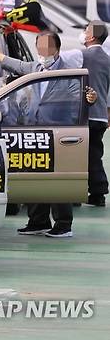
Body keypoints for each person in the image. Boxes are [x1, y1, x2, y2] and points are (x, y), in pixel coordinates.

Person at [0, 32, 97, 238]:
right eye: (40, 48)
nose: (43, 53)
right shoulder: (35, 68)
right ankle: (38, 221)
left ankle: (63, 224)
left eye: (47, 48)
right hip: (35, 132)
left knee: (57, 183)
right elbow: (18, 66)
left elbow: (83, 95)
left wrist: (90, 98)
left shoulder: (68, 74)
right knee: (36, 178)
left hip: (59, 134)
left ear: (57, 49)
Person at [80, 21, 110, 207]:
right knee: (94, 154)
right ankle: (98, 191)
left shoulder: (82, 56)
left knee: (81, 156)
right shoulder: (107, 60)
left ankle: (91, 192)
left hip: (85, 116)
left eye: (85, 31)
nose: (83, 33)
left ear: (91, 36)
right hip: (100, 116)